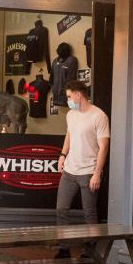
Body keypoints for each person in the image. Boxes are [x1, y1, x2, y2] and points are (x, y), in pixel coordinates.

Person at [56, 80, 110, 233]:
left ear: (78, 95)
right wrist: (62, 155)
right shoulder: (71, 115)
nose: (68, 101)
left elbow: (104, 147)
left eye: (69, 97)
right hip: (69, 171)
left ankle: (91, 251)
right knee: (61, 210)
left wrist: (97, 174)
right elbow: (69, 135)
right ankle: (63, 247)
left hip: (88, 172)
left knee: (89, 213)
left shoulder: (99, 116)